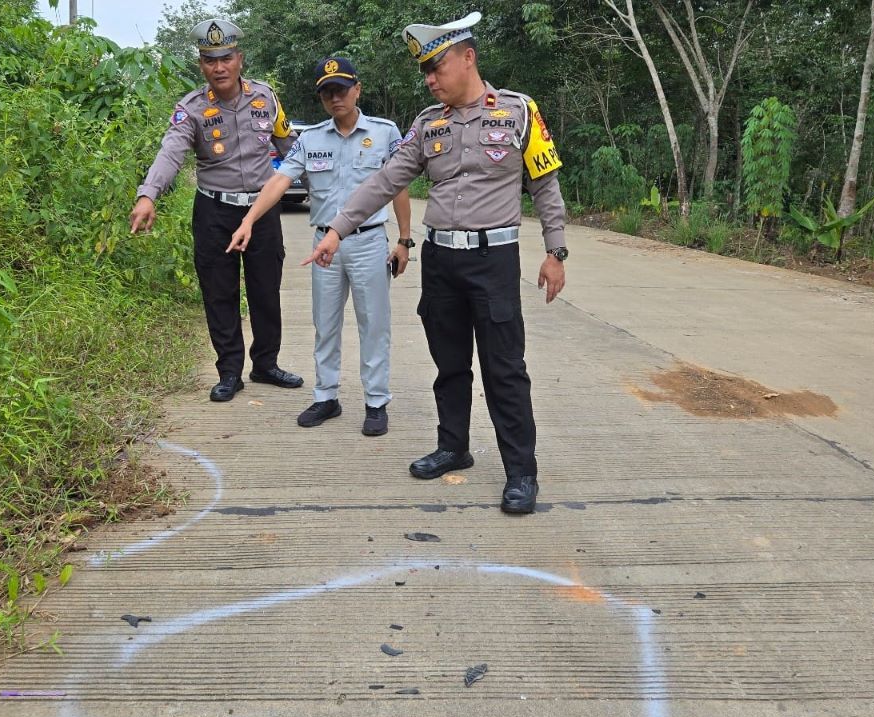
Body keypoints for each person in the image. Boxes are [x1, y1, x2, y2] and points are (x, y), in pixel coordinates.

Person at [304, 12, 569, 514]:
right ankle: (454, 447)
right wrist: (336, 230)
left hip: (494, 259)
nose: (430, 78)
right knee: (449, 364)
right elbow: (384, 182)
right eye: (425, 70)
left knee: (504, 368)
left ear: (468, 58)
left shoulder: (518, 112)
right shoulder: (429, 123)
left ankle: (521, 472)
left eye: (437, 66)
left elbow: (546, 185)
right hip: (441, 260)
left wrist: (555, 252)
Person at [230, 57, 413, 436]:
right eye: (327, 92)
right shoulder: (310, 139)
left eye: (341, 89)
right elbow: (280, 182)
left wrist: (404, 240)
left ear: (357, 89)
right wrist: (248, 219)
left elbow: (399, 186)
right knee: (325, 325)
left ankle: (376, 401)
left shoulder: (384, 132)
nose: (335, 98)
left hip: (368, 242)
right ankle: (326, 396)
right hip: (322, 247)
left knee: (374, 325)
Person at [130, 18, 303, 402]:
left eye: (225, 58)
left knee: (265, 290)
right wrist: (148, 195)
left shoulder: (266, 98)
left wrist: (329, 190)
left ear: (239, 58)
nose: (219, 67)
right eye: (210, 60)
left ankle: (266, 364)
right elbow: (171, 153)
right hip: (213, 211)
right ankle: (229, 372)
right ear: (201, 65)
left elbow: (290, 147)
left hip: (260, 212)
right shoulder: (190, 109)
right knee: (219, 293)